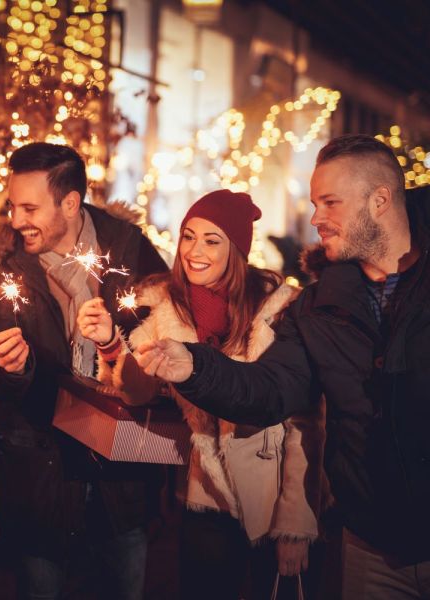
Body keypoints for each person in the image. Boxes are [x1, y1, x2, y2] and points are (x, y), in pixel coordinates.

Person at [137, 135, 430, 599]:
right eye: (315, 202)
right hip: (371, 545)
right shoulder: (319, 304)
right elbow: (271, 389)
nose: (316, 217)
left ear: (380, 200)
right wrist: (196, 368)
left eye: (330, 202)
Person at [77, 189, 325, 600]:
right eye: (189, 236)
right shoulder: (165, 311)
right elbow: (137, 393)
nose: (195, 251)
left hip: (275, 495)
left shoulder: (278, 310)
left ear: (236, 250)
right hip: (206, 496)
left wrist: (295, 521)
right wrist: (109, 344)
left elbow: (305, 420)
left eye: (212, 240)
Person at [0, 142, 167, 599]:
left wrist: (115, 344)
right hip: (41, 470)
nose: (17, 220)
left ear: (70, 202)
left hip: (120, 475)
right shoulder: (5, 269)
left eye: (29, 207)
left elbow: (165, 344)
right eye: (12, 206)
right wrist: (13, 368)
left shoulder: (129, 251)